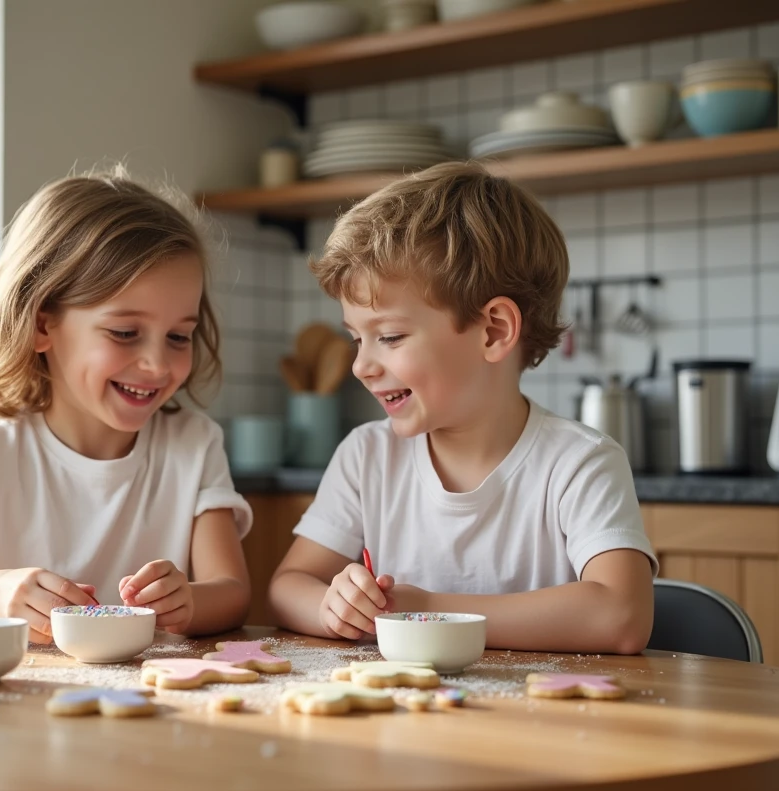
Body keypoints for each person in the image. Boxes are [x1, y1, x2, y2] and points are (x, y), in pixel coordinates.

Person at [0, 169, 252, 643]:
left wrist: (188, 602)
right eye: (125, 332)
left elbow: (232, 593)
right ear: (43, 325)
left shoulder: (193, 444)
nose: (156, 363)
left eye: (179, 337)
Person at [269, 161, 656, 654]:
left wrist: (430, 610)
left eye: (388, 336)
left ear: (493, 330)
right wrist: (334, 607)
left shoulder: (580, 462)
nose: (361, 366)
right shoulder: (366, 457)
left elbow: (620, 616)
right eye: (355, 338)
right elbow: (288, 585)